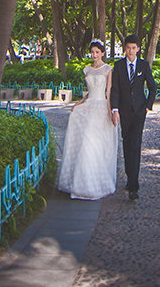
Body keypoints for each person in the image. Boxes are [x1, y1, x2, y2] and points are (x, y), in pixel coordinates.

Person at [57, 39, 118, 200]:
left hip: (101, 108)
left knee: (96, 144)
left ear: (102, 53)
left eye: (97, 52)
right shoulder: (87, 70)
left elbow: (108, 92)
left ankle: (96, 182)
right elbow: (89, 92)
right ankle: (81, 183)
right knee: (86, 142)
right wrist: (79, 102)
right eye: (92, 52)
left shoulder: (108, 69)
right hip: (89, 106)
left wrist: (111, 111)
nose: (94, 55)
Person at [110, 34, 156, 201]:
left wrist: (147, 106)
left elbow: (152, 87)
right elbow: (115, 89)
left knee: (135, 146)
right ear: (125, 49)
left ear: (138, 49)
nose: (131, 51)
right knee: (127, 144)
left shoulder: (143, 65)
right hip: (123, 111)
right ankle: (130, 178)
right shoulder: (119, 66)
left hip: (138, 112)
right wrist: (114, 109)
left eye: (133, 48)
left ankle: (134, 187)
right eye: (128, 48)